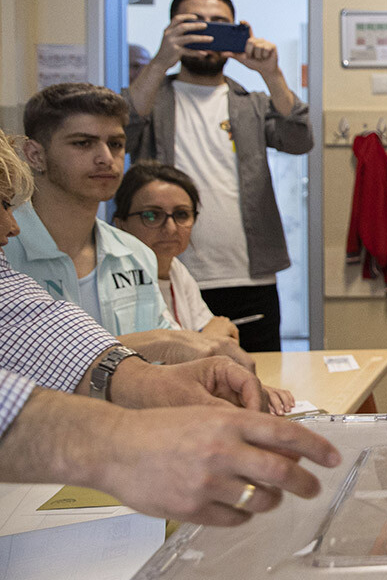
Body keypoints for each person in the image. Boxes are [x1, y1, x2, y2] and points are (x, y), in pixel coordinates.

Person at [0, 128, 341, 526]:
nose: (13, 226)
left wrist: (149, 380)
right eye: (3, 204)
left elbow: (22, 321)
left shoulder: (138, 258)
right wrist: (123, 440)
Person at [7, 82, 253, 370]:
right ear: (35, 155)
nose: (106, 159)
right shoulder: (6, 250)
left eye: (115, 144)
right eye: (83, 143)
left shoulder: (135, 254)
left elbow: (164, 367)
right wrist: (152, 343)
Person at [125, 0, 313, 352]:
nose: (207, 31)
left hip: (249, 277)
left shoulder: (252, 102)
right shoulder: (152, 96)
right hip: (167, 273)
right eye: (193, 23)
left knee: (257, 385)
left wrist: (272, 74)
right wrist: (161, 61)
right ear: (172, 30)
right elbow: (123, 131)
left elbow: (299, 139)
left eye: (219, 23)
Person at [113, 160, 295, 414]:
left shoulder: (178, 271)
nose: (170, 228)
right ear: (120, 223)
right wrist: (206, 339)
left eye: (181, 214)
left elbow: (220, 342)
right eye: (152, 215)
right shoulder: (117, 278)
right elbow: (204, 344)